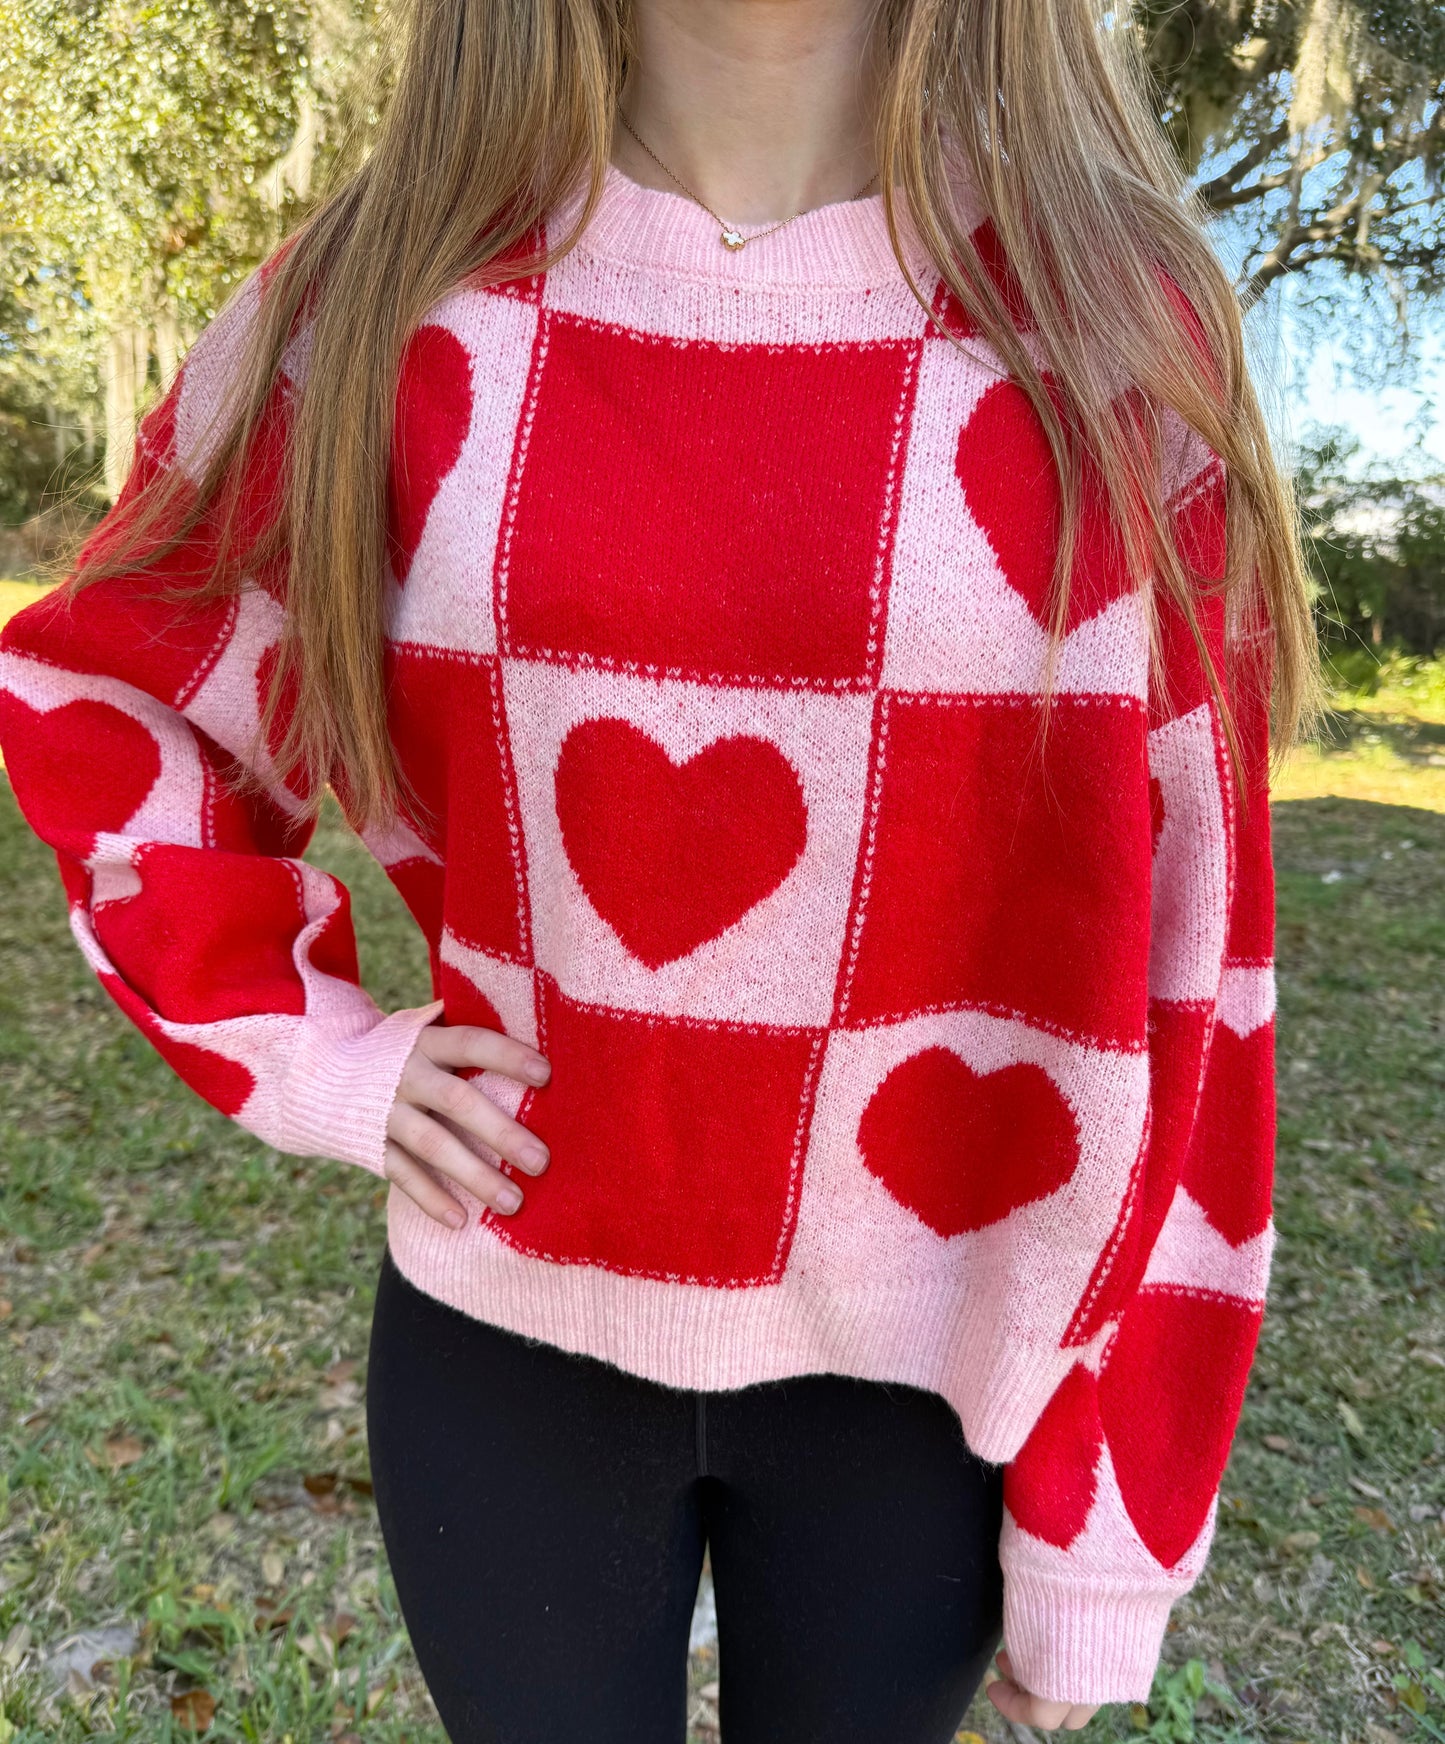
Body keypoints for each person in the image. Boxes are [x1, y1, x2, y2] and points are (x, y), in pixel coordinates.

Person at [0, 0, 1318, 1736]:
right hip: (507, 1326)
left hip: (937, 1375)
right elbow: (114, 687)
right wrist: (311, 1049)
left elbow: (1196, 967)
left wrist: (1110, 1530)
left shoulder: (1111, 319)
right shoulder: (384, 289)